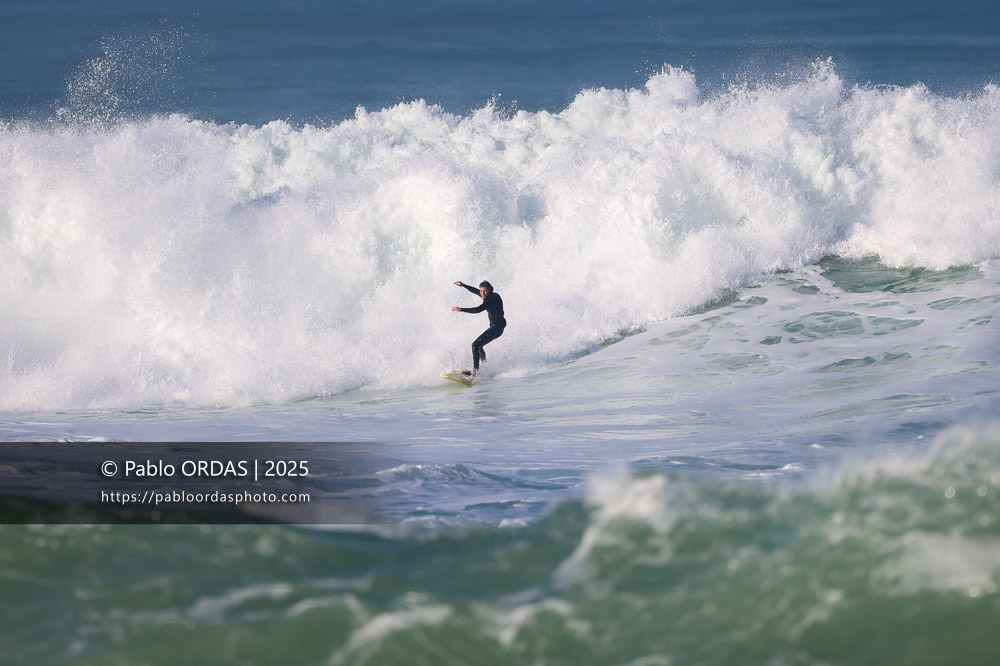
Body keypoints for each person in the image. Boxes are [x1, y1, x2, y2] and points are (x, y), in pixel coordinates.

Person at [451, 280, 506, 375]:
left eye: (485, 291)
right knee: (479, 346)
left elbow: (478, 309)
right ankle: (485, 367)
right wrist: (464, 285)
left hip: (496, 328)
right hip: (498, 326)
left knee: (475, 345)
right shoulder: (490, 295)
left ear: (490, 290)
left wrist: (461, 309)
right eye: (481, 291)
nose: (482, 293)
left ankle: (474, 372)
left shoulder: (491, 299)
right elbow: (476, 291)